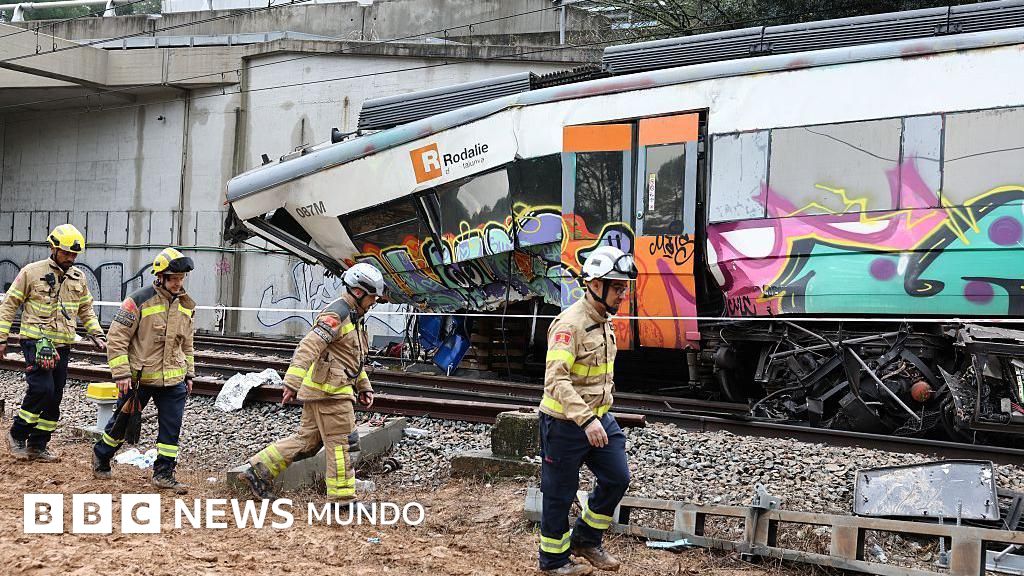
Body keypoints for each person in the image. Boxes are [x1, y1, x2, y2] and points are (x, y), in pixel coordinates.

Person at [241, 263, 381, 502]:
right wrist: (292, 382)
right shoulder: (337, 314)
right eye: (372, 297)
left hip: (324, 390)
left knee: (307, 442)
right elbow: (309, 346)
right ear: (358, 292)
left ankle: (258, 470)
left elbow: (351, 358)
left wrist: (363, 386)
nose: (374, 302)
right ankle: (342, 501)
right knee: (342, 446)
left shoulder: (354, 316)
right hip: (331, 394)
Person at [537, 246, 638, 575]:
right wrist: (587, 420)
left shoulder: (604, 321)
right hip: (565, 423)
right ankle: (553, 561)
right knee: (559, 493)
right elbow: (557, 381)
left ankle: (585, 540)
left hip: (598, 418)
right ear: (595, 285)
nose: (623, 294)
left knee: (617, 477)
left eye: (624, 287)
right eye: (618, 287)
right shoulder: (571, 325)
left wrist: (598, 416)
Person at [92, 247, 196, 493]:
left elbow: (188, 344)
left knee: (171, 430)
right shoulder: (138, 300)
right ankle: (101, 455)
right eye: (173, 278)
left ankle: (164, 474)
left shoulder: (186, 305)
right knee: (121, 423)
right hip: (138, 380)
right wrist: (122, 374)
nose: (177, 283)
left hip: (173, 381)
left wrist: (189, 373)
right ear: (160, 276)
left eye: (181, 279)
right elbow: (117, 338)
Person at [0, 224, 105, 462]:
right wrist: (1, 338)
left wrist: (96, 334)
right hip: (35, 342)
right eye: (66, 253)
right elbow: (9, 306)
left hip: (62, 345)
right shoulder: (31, 272)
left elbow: (86, 310)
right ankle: (17, 434)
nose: (70, 258)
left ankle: (38, 445)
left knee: (54, 396)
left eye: (74, 255)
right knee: (41, 389)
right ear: (53, 248)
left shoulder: (79, 277)